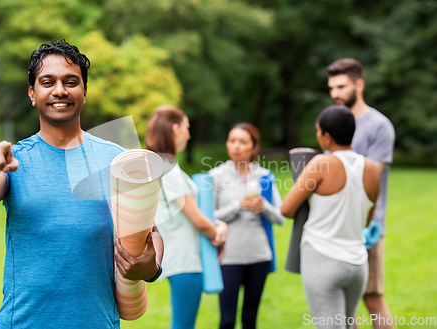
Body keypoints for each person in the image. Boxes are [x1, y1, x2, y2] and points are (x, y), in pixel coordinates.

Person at [0, 39, 163, 328]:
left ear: (84, 91)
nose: (60, 90)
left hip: (96, 322)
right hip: (24, 322)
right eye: (48, 82)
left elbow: (150, 230)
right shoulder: (15, 159)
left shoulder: (117, 159)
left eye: (71, 81)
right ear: (33, 94)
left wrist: (151, 267)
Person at [281, 105, 381, 329]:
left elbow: (286, 209)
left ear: (326, 136)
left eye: (318, 131)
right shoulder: (373, 169)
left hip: (322, 259)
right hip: (357, 264)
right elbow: (366, 220)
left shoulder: (320, 164)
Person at [145, 105, 228, 329]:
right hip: (185, 261)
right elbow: (198, 220)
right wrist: (219, 231)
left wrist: (216, 224)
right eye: (187, 128)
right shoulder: (167, 168)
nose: (189, 134)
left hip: (183, 259)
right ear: (175, 129)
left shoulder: (163, 166)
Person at [327, 58, 395, 329]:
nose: (335, 94)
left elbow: (371, 178)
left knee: (372, 297)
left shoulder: (379, 126)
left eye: (341, 86)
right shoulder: (331, 121)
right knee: (343, 301)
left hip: (367, 227)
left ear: (359, 84)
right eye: (331, 88)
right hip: (335, 226)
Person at [208, 123, 285, 329]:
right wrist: (237, 206)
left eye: (243, 142)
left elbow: (280, 217)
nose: (236, 146)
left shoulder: (265, 176)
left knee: (250, 319)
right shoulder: (216, 176)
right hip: (229, 257)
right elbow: (209, 218)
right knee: (227, 321)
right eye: (232, 141)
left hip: (260, 255)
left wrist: (264, 206)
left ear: (254, 147)